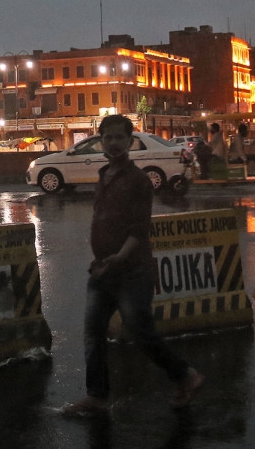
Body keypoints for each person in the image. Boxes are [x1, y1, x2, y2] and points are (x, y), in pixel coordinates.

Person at [61, 113, 203, 416]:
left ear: (129, 141)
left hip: (131, 271)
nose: (113, 143)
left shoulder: (138, 181)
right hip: (102, 269)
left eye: (119, 138)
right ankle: (97, 396)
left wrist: (120, 257)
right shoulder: (103, 175)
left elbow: (140, 230)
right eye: (108, 137)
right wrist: (103, 259)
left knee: (140, 331)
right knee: (93, 331)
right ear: (101, 141)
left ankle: (185, 375)